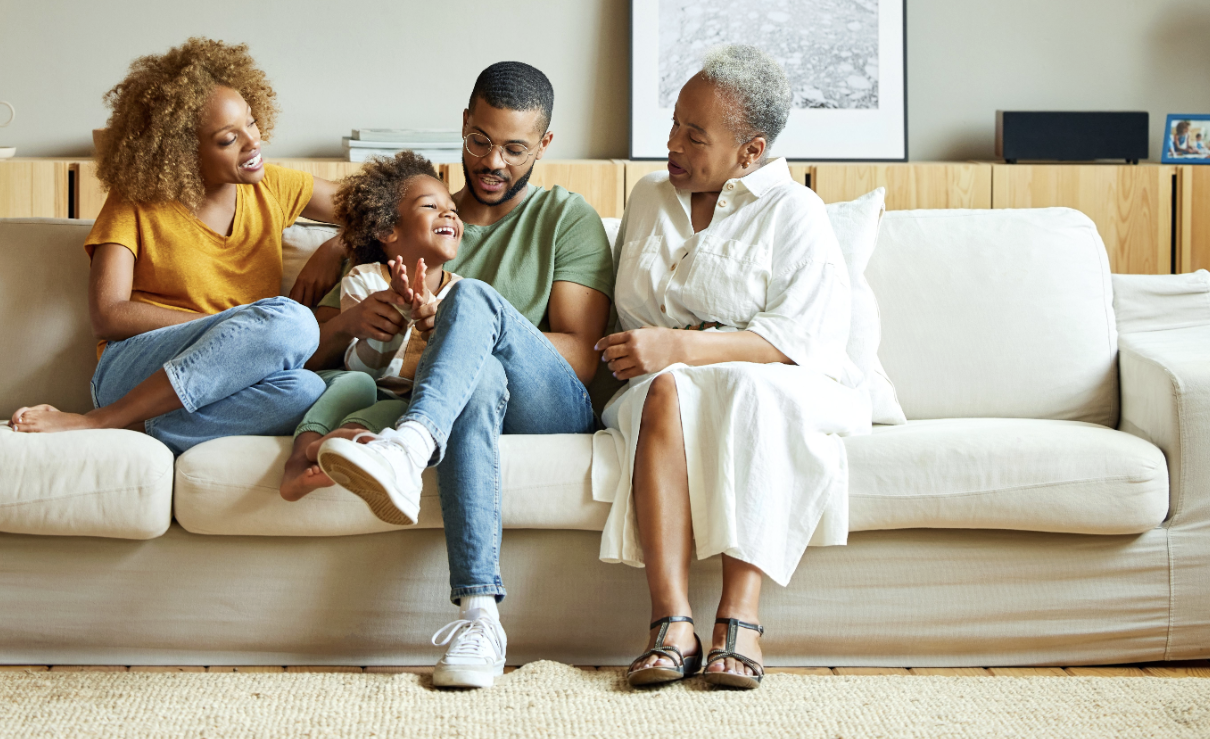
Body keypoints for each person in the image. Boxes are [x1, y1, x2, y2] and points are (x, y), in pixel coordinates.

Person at [303, 62, 614, 689]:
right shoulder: (417, 220)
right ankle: (479, 617)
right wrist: (340, 243)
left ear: (544, 145)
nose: (493, 162)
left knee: (469, 300)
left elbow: (582, 356)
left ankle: (408, 446)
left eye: (515, 149)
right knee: (478, 380)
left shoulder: (564, 217)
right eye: (480, 140)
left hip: (548, 406)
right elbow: (318, 346)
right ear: (465, 124)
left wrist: (461, 333)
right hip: (473, 403)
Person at [594, 45, 871, 690]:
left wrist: (683, 345)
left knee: (747, 390)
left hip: (771, 382)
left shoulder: (793, 211)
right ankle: (672, 623)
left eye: (695, 136)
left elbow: (797, 339)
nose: (672, 144)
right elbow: (631, 320)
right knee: (667, 390)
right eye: (674, 124)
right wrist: (672, 353)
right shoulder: (649, 197)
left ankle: (740, 620)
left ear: (751, 150)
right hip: (657, 385)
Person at [9, 38, 343, 454]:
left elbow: (380, 211)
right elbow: (108, 314)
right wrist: (233, 327)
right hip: (135, 368)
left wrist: (337, 244)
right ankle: (100, 419)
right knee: (294, 324)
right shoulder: (136, 201)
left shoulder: (274, 186)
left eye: (252, 123)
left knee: (307, 390)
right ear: (183, 153)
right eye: (228, 139)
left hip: (227, 377)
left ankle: (140, 425)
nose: (253, 142)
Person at [280, 152, 464, 501]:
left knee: (402, 409)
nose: (449, 214)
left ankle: (340, 444)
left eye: (453, 209)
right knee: (358, 384)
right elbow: (361, 367)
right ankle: (298, 461)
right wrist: (396, 317)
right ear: (386, 230)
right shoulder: (364, 280)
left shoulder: (462, 296)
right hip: (354, 380)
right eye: (430, 206)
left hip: (401, 396)